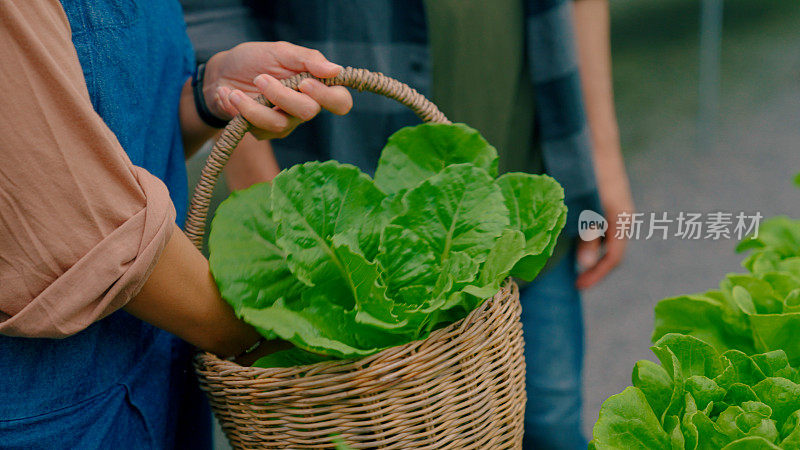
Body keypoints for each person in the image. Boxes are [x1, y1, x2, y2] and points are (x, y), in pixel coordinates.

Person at [183, 1, 632, 448]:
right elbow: (215, 14)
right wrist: (268, 197)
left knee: (550, 424)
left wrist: (603, 157)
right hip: (336, 186)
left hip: (520, 176)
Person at [0, 1, 351, 448]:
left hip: (155, 374)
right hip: (51, 412)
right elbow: (60, 210)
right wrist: (295, 336)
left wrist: (204, 96)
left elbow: (112, 134)